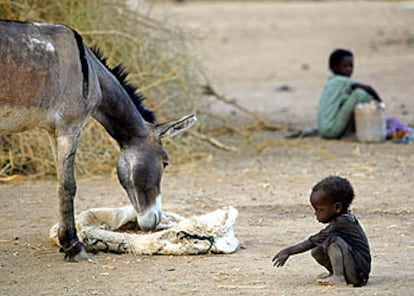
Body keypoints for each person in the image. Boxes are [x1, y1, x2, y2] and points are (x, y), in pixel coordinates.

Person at [272, 176, 371, 287]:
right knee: (318, 250)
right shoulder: (342, 218)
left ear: (337, 207)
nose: (316, 214)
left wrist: (288, 251)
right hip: (355, 268)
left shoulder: (342, 222)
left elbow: (313, 241)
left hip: (359, 274)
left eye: (320, 210)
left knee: (332, 241)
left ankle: (339, 277)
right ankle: (334, 273)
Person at [317, 49, 382, 139]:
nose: (349, 69)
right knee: (359, 94)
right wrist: (380, 102)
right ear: (334, 68)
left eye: (351, 66)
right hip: (331, 130)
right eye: (345, 66)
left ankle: (353, 128)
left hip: (324, 130)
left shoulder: (332, 82)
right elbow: (368, 88)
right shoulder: (341, 81)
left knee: (353, 97)